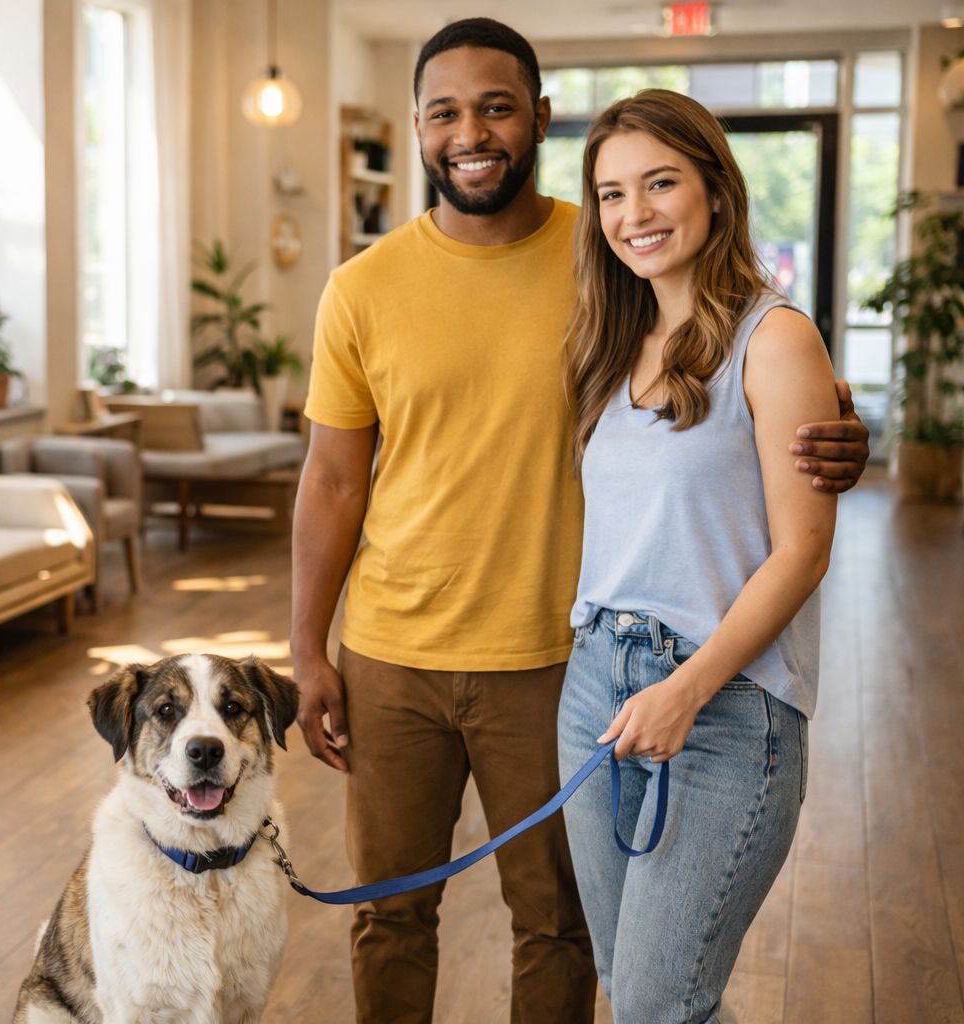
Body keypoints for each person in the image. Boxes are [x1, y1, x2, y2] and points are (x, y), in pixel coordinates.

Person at [291, 19, 870, 1024]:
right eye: (445, 112)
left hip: (556, 658)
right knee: (394, 914)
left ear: (541, 121)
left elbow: (750, 385)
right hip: (397, 655)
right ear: (419, 129)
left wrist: (836, 431)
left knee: (565, 931)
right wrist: (306, 646)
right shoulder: (374, 288)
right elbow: (333, 482)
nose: (472, 131)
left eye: (498, 106)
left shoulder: (604, 258)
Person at [557, 89, 833, 1023]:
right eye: (610, 194)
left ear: (715, 188)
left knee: (658, 1002)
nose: (634, 215)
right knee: (632, 984)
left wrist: (689, 687)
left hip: (726, 702)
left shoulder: (777, 337)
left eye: (660, 183)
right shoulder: (609, 341)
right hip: (597, 685)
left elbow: (802, 550)